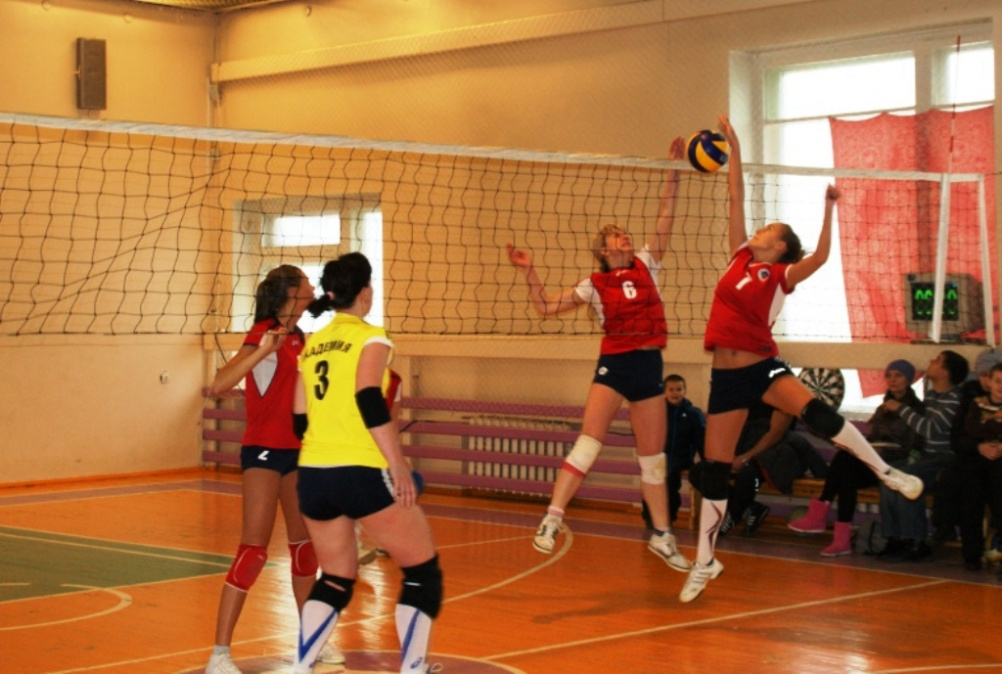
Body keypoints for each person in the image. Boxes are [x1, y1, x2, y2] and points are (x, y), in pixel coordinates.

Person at [679, 115, 923, 603]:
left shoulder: (779, 275)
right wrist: (736, 146)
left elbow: (821, 258)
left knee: (818, 414)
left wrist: (828, 210)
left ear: (780, 247)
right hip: (725, 379)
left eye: (768, 230)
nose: (757, 230)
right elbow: (734, 196)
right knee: (713, 471)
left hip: (761, 366)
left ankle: (885, 471)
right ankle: (704, 561)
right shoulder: (738, 257)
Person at [507, 137, 691, 573]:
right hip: (615, 364)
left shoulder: (647, 262)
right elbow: (545, 307)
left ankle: (662, 536)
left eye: (624, 233)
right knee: (589, 443)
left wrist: (674, 169)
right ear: (605, 251)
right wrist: (530, 271)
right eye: (615, 236)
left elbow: (666, 215)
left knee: (654, 460)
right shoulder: (594, 284)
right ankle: (552, 518)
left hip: (649, 366)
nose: (624, 236)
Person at [291, 252, 442, 674]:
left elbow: (299, 420)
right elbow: (368, 396)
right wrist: (396, 464)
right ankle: (413, 668)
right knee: (422, 572)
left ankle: (302, 666)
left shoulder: (313, 344)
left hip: (313, 475)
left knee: (335, 578)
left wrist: (329, 457)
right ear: (365, 293)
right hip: (361, 470)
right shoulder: (371, 337)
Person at [205, 266, 344, 674]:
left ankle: (313, 639)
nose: (312, 287)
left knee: (305, 550)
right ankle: (219, 655)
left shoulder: (301, 337)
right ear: (290, 292)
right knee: (253, 551)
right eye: (306, 282)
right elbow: (219, 384)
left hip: (298, 453)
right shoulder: (264, 333)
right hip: (263, 452)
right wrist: (264, 350)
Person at [789, 359, 923, 557]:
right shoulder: (882, 409)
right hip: (873, 462)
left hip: (893, 466)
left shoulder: (916, 409)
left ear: (909, 380)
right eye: (889, 375)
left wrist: (881, 452)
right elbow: (872, 437)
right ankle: (841, 540)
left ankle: (821, 514)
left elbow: (913, 446)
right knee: (846, 470)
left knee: (845, 460)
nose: (892, 380)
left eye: (898, 376)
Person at [874, 350, 968, 562]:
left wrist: (901, 408)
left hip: (944, 460)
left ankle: (915, 541)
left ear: (945, 373)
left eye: (937, 360)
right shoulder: (932, 395)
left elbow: (930, 429)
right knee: (888, 475)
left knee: (907, 479)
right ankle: (894, 538)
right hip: (926, 457)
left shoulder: (954, 400)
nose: (931, 361)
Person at [932, 350, 1002, 570]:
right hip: (975, 459)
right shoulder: (973, 402)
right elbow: (961, 437)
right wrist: (979, 446)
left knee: (998, 493)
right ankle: (969, 553)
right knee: (968, 490)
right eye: (985, 376)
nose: (989, 382)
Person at [640, 374, 705, 528]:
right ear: (665, 392)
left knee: (670, 487)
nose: (675, 393)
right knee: (652, 484)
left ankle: (669, 517)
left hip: (681, 460)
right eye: (671, 389)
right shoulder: (657, 411)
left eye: (679, 389)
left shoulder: (694, 414)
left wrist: (706, 461)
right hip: (658, 459)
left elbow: (701, 440)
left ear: (685, 391)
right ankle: (650, 518)